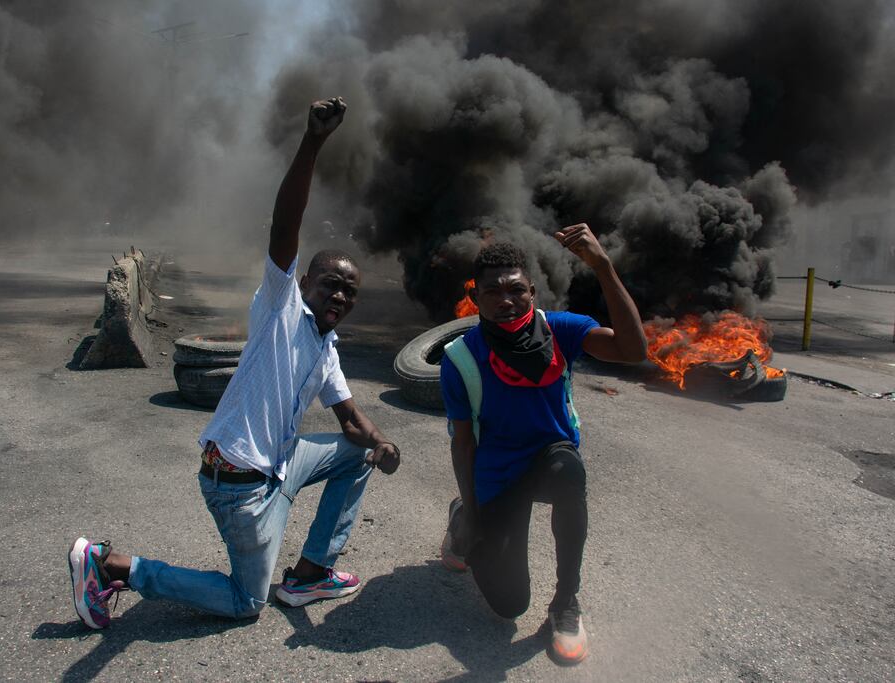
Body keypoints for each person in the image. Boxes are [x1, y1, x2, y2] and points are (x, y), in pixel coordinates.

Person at [67, 97, 401, 629]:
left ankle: (311, 572)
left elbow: (351, 421)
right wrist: (313, 141)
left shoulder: (325, 347)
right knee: (247, 602)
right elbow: (284, 224)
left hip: (278, 466)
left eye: (349, 292)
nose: (339, 296)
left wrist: (380, 442)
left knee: (354, 454)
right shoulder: (281, 308)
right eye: (330, 285)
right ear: (303, 284)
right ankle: (112, 567)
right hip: (239, 485)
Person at [438, 228, 647, 665]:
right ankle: (461, 518)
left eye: (516, 288)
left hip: (551, 463)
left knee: (568, 470)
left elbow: (632, 349)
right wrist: (475, 515)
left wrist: (603, 266)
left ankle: (565, 604)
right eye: (492, 291)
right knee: (508, 605)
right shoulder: (460, 358)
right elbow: (463, 444)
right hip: (498, 476)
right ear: (475, 298)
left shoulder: (561, 330)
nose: (505, 299)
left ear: (532, 291)